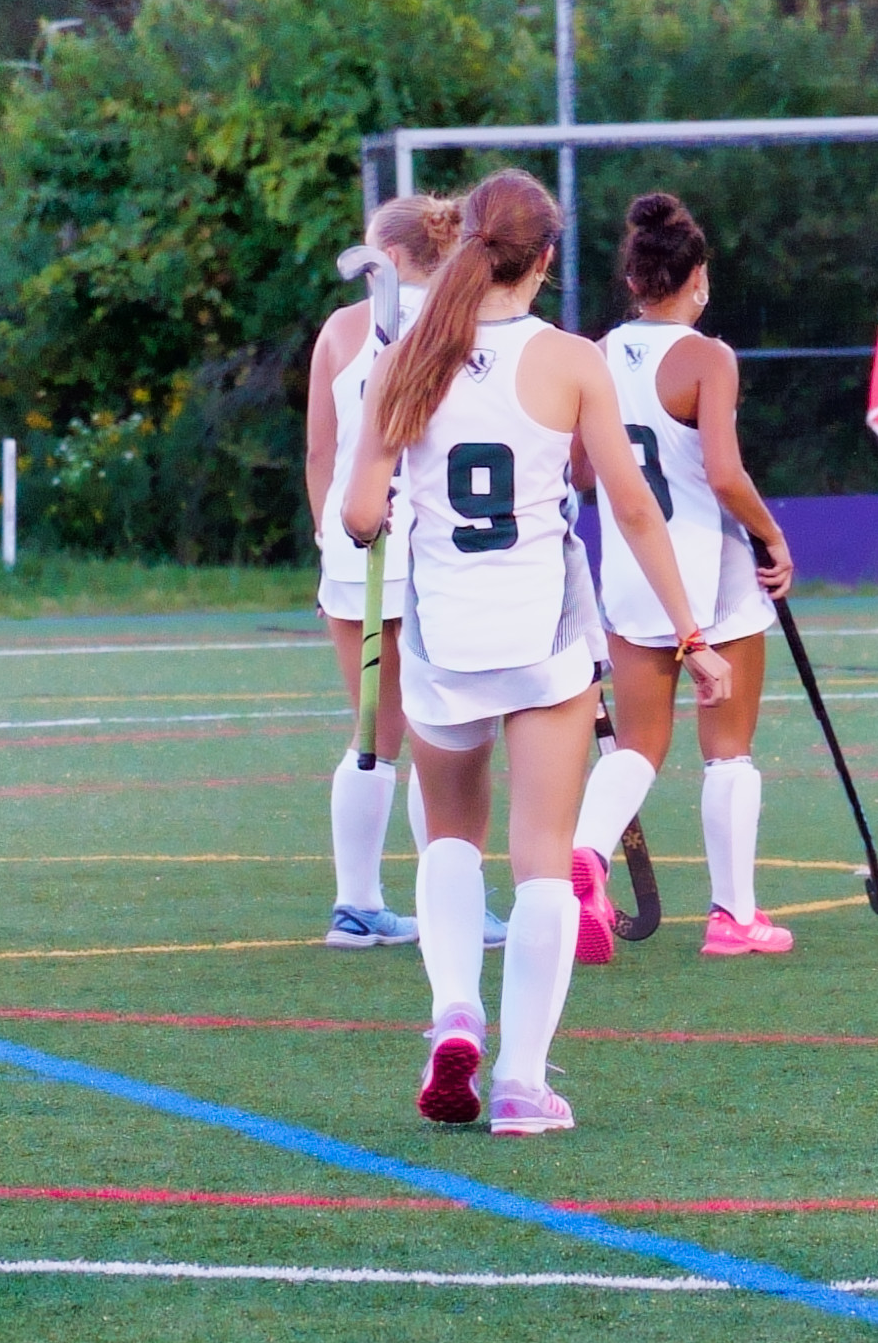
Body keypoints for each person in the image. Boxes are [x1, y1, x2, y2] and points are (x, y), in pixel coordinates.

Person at [340, 173, 728, 1138]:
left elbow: (355, 515)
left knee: (450, 838)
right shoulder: (570, 361)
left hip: (442, 639)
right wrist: (689, 630)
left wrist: (385, 508)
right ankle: (518, 1079)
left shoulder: (406, 356)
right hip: (542, 640)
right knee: (543, 862)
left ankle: (453, 1015)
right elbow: (631, 508)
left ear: (463, 242)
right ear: (546, 260)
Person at [568, 191, 798, 959]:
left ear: (633, 280)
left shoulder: (593, 355)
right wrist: (772, 535)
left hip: (631, 572)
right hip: (711, 565)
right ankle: (734, 917)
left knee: (637, 742)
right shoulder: (707, 357)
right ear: (695, 275)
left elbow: (582, 471)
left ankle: (587, 860)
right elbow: (726, 476)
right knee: (726, 747)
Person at [305, 203, 448, 948]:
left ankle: (358, 904)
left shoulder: (338, 330)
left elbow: (319, 459)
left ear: (389, 253)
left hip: (353, 550)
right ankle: (441, 906)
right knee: (436, 732)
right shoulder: (461, 325)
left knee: (373, 733)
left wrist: (333, 533)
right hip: (427, 555)